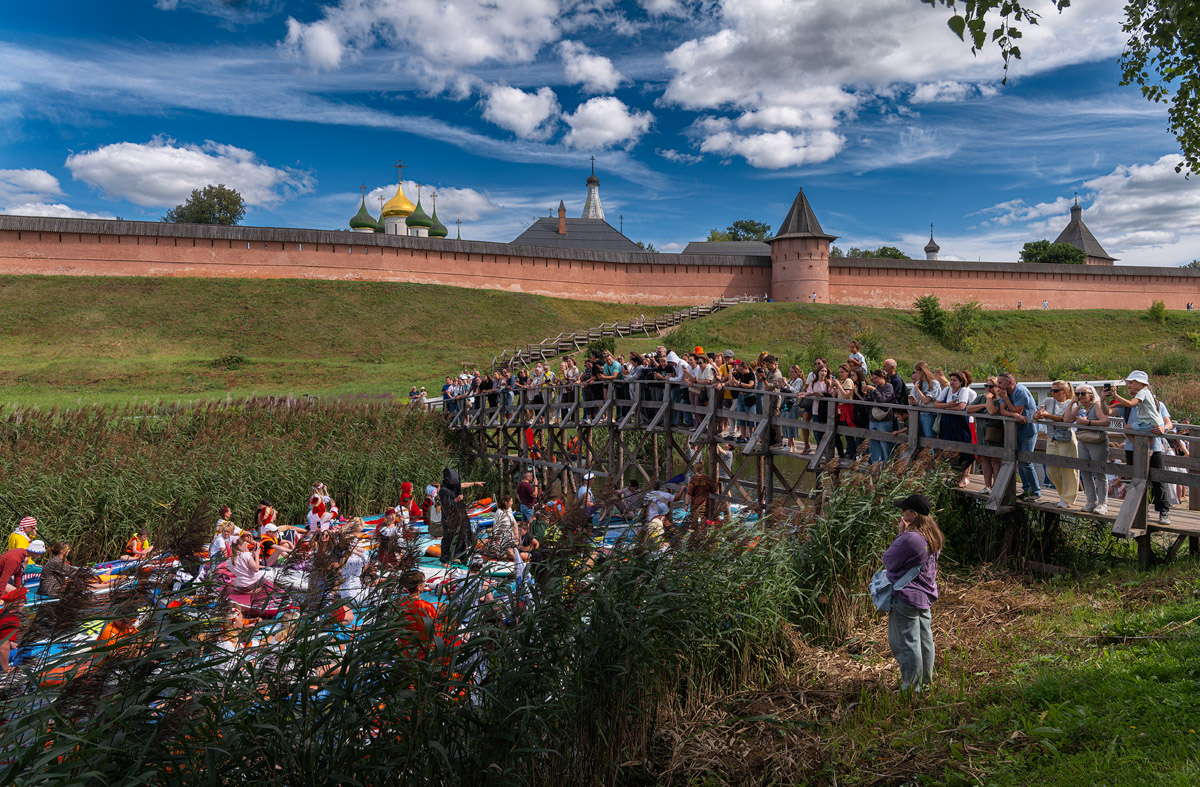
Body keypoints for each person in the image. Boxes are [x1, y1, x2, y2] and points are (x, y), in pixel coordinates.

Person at [883, 494, 943, 691]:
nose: (901, 512)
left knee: (905, 644)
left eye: (904, 510)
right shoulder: (934, 535)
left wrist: (901, 534)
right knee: (925, 641)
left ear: (914, 514)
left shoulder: (910, 538)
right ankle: (925, 683)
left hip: (906, 597)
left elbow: (889, 561)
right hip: (925, 596)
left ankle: (911, 689)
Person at [1109, 370, 1172, 524]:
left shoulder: (1157, 403)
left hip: (1154, 447)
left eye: (1132, 383)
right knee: (1137, 480)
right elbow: (1106, 413)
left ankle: (1163, 512)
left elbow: (1168, 422)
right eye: (1128, 385)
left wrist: (1164, 428)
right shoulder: (1127, 406)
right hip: (1132, 448)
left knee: (1158, 480)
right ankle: (1142, 511)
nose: (1129, 387)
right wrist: (1102, 400)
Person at [1034, 380, 1080, 508]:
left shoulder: (1070, 403)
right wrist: (1039, 414)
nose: (1052, 393)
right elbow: (1036, 414)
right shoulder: (1048, 401)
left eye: (1055, 391)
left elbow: (1066, 419)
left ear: (1064, 391)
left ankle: (1068, 498)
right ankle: (1063, 494)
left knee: (1068, 469)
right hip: (1052, 438)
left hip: (1066, 438)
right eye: (1051, 390)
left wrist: (1049, 415)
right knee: (1051, 469)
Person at [996, 373, 1041, 500]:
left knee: (1026, 460)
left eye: (1000, 382)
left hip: (1028, 430)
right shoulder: (1003, 393)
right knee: (1017, 459)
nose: (997, 385)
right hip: (1015, 430)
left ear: (1009, 382)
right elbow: (1003, 411)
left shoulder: (1020, 391)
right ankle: (1026, 489)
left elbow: (1017, 410)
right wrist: (1015, 416)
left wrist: (1007, 400)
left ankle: (1036, 491)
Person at [1073, 384, 1111, 515]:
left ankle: (1102, 503)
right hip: (1083, 440)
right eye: (1077, 393)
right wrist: (1073, 403)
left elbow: (1105, 421)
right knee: (1085, 470)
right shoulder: (1080, 407)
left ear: (1091, 394)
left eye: (1083, 393)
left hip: (1097, 441)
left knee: (1099, 472)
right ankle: (1091, 501)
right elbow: (1067, 419)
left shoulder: (1098, 405)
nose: (1080, 396)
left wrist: (1088, 422)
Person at [931, 371, 974, 486]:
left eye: (955, 380)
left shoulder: (964, 390)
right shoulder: (946, 390)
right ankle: (955, 476)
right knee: (950, 450)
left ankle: (962, 477)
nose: (952, 382)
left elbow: (961, 407)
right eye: (951, 380)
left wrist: (945, 407)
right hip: (947, 423)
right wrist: (949, 405)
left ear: (960, 382)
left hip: (959, 424)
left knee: (963, 449)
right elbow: (936, 404)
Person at [439, 467, 483, 567]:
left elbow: (462, 485)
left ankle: (458, 555)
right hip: (449, 518)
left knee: (462, 535)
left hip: (459, 515)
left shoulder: (454, 487)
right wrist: (456, 500)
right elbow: (446, 505)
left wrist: (475, 483)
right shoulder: (443, 490)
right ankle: (444, 560)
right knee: (448, 537)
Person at [966, 377, 1004, 495]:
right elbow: (968, 409)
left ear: (997, 387)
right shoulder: (981, 398)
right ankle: (987, 486)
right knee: (985, 459)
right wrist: (984, 404)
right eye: (986, 386)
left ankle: (996, 487)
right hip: (982, 433)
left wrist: (989, 400)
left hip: (996, 433)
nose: (988, 389)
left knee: (996, 460)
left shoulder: (1001, 400)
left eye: (991, 386)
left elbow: (992, 411)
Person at [863, 369, 896, 464]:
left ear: (882, 377)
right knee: (873, 443)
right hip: (873, 418)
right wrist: (866, 393)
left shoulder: (889, 387)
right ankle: (876, 464)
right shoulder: (874, 386)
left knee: (885, 444)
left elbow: (882, 400)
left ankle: (887, 465)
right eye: (873, 379)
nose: (874, 381)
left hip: (884, 420)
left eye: (876, 378)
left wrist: (873, 390)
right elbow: (868, 400)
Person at [909, 361, 942, 438]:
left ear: (923, 372)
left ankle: (931, 450)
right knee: (917, 438)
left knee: (929, 438)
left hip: (929, 415)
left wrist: (917, 389)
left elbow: (926, 400)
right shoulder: (918, 383)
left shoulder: (934, 383)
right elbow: (916, 400)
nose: (915, 374)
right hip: (918, 414)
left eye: (916, 372)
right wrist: (913, 402)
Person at [483, 495, 520, 561]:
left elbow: (512, 522)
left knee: (511, 551)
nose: (512, 503)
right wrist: (496, 538)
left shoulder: (509, 510)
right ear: (506, 503)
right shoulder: (499, 512)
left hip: (510, 536)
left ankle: (513, 559)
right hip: (502, 536)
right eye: (511, 501)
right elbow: (496, 525)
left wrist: (516, 533)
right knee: (503, 554)